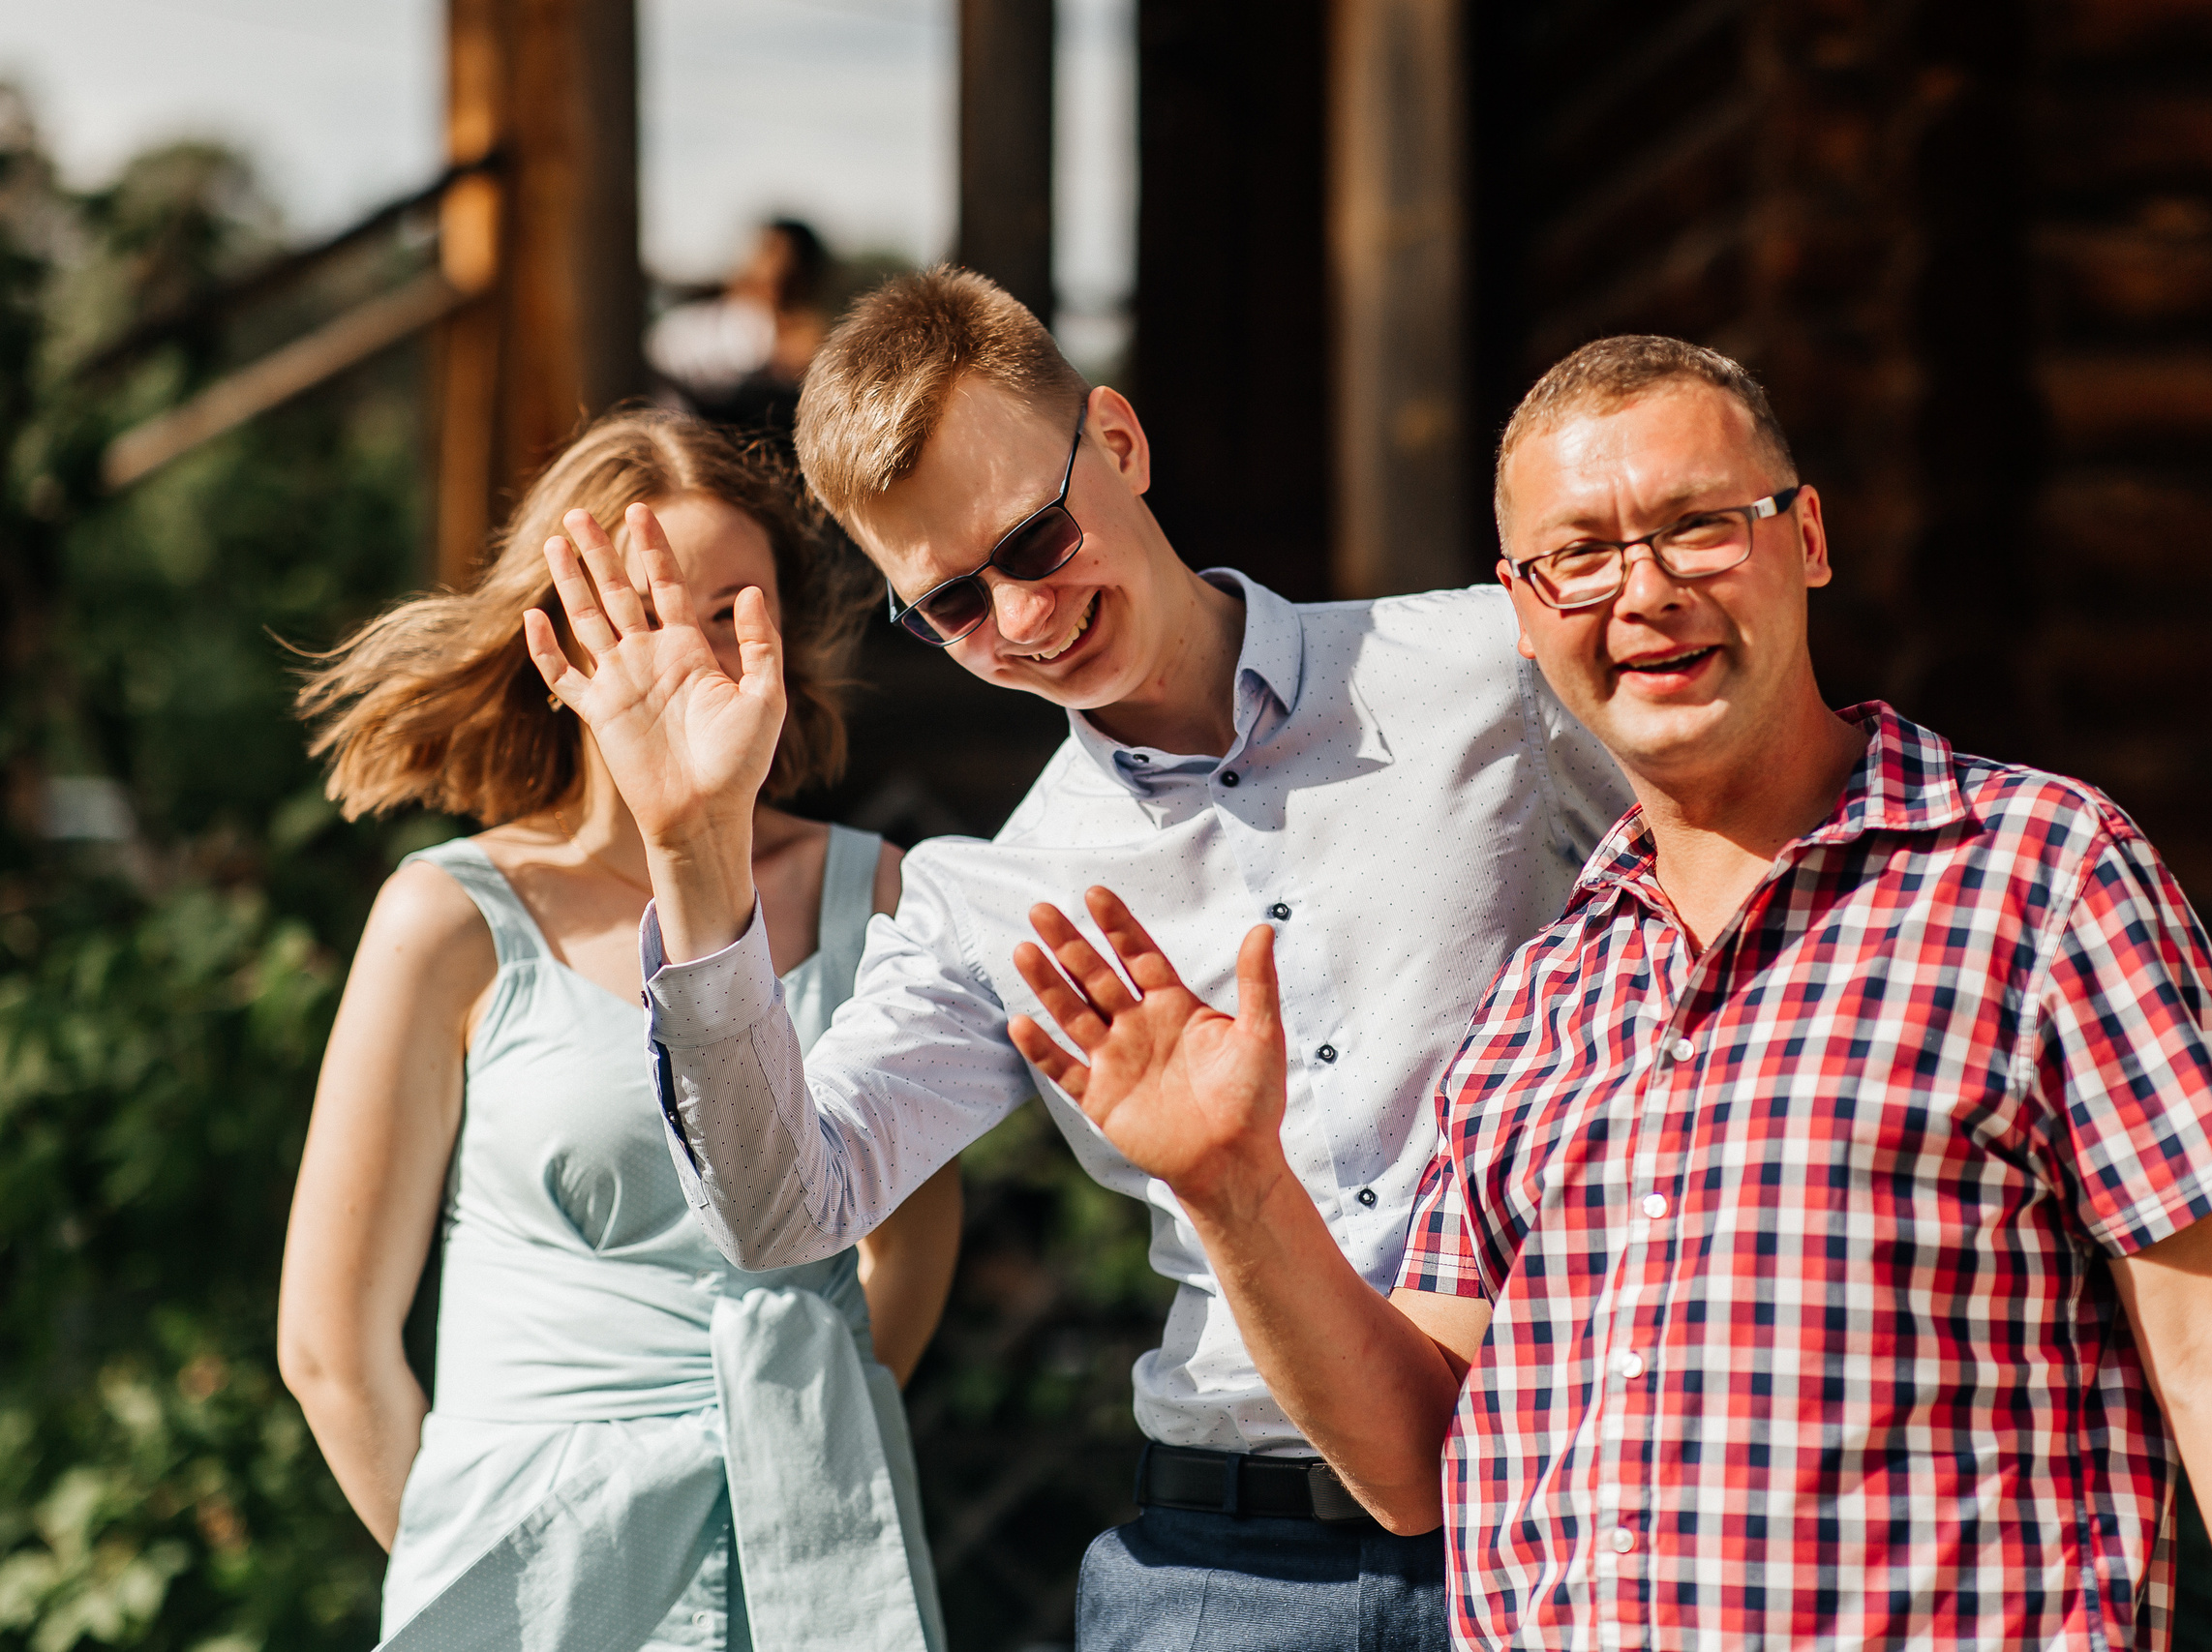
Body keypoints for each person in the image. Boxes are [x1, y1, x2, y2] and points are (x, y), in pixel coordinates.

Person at [1003, 337, 2212, 1651]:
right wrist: (1237, 1186)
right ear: (1524, 611)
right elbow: (1413, 1465)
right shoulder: (1548, 986)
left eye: (1695, 525)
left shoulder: (2039, 872)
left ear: (1803, 538)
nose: (1645, 590)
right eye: (1581, 557)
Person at [523, 266, 1633, 1650]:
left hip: (1572, 1513)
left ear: (1117, 440)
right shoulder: (988, 896)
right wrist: (695, 846)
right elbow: (785, 1209)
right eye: (954, 607)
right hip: (1226, 1571)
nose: (1026, 618)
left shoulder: (1493, 670)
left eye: (1036, 541)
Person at [276, 409, 958, 1652]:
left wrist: (795, 1452)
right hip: (528, 1568)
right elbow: (331, 1345)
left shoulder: (882, 896)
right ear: (564, 634)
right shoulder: (448, 919)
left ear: (785, 644)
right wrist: (479, 1583)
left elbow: (906, 1248)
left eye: (728, 613)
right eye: (645, 607)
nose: (686, 655)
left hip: (811, 1569)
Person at [649, 219, 835, 449]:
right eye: (767, 256)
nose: (774, 270)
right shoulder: (684, 333)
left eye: (791, 277)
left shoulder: (825, 345)